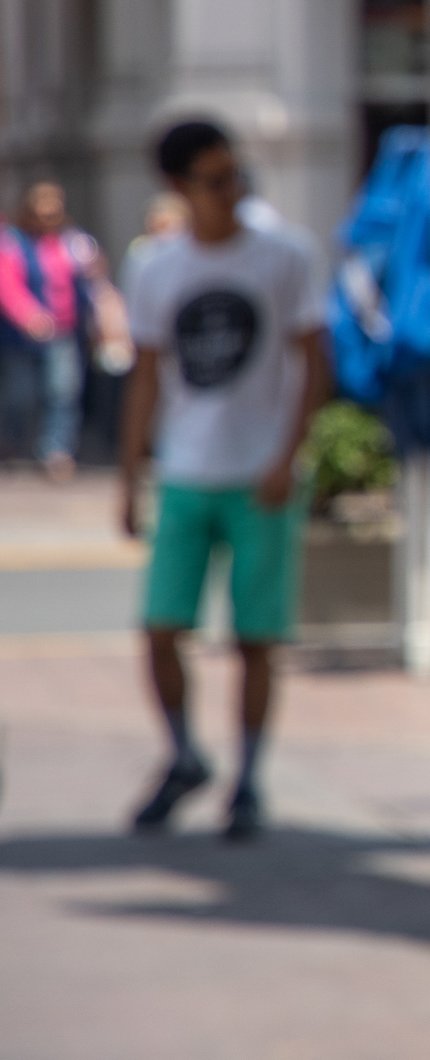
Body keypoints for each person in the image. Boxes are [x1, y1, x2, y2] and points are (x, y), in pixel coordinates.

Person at [121, 121, 328, 840]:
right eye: (215, 180)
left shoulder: (284, 255)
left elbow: (315, 358)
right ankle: (183, 753)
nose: (233, 191)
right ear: (179, 189)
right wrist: (130, 476)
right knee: (159, 627)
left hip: (260, 472)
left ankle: (250, 777)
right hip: (186, 469)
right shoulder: (155, 266)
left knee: (257, 636)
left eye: (237, 175)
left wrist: (287, 454)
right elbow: (146, 375)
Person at [0, 181, 125, 478]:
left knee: (63, 392)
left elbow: (94, 281)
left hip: (63, 330)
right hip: (22, 335)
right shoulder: (13, 243)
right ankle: (12, 441)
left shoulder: (72, 242)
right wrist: (29, 316)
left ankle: (56, 451)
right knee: (22, 394)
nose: (48, 218)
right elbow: (8, 286)